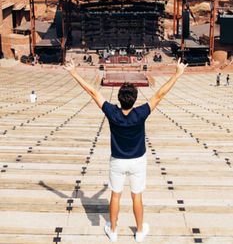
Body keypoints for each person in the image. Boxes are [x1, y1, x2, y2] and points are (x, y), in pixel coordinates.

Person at [64, 58, 187, 242]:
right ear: (135, 99)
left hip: (117, 161)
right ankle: (139, 232)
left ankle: (113, 231)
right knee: (136, 196)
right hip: (138, 160)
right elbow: (160, 94)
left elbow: (92, 92)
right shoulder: (141, 113)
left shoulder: (112, 113)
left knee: (115, 195)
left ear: (119, 99)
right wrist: (177, 74)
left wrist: (74, 73)